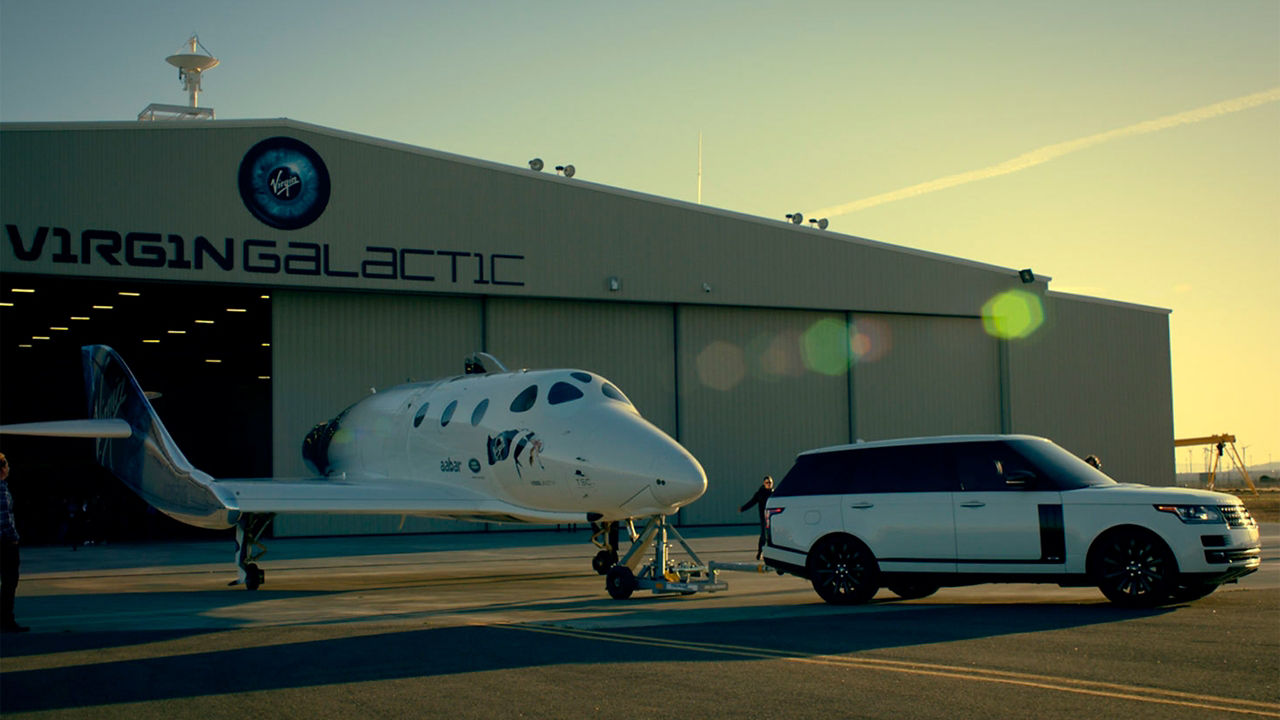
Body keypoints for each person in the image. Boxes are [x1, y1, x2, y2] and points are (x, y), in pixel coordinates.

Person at [0, 452, 28, 633]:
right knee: (9, 583)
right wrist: (13, 538)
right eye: (7, 465)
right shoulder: (1, 489)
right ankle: (6, 620)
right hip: (5, 543)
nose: (9, 468)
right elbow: (4, 518)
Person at [739, 475, 774, 560]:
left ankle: (772, 554)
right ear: (764, 483)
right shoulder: (760, 493)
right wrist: (743, 508)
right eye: (767, 482)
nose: (768, 484)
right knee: (764, 536)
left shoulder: (774, 493)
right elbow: (752, 502)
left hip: (773, 518)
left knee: (772, 536)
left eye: (770, 482)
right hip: (764, 518)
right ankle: (760, 552)